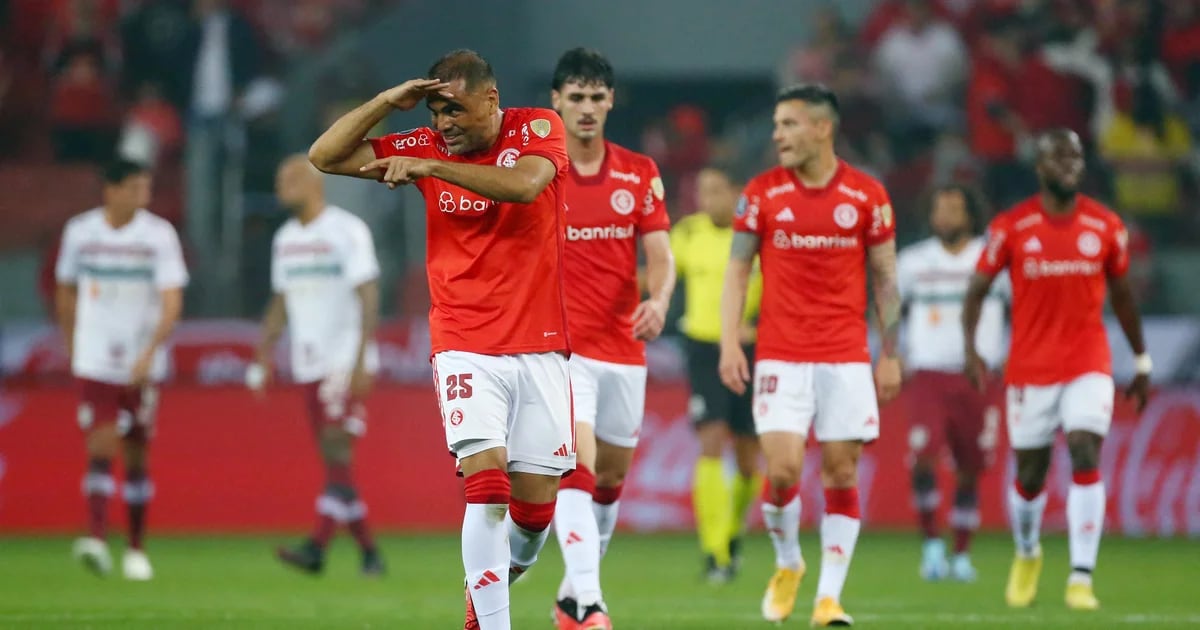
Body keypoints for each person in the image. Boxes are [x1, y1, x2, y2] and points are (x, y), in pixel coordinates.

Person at [308, 49, 573, 630]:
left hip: (540, 343)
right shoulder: (423, 143)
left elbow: (526, 187)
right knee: (487, 485)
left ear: (491, 99)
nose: (442, 123)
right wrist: (384, 104)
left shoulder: (537, 127)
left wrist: (432, 169)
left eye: (453, 108)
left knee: (534, 513)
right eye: (433, 111)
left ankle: (486, 597)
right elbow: (324, 156)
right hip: (463, 339)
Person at [719, 84, 902, 627]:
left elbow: (887, 279)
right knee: (782, 471)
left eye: (789, 124)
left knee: (842, 473)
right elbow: (736, 270)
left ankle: (828, 599)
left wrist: (889, 352)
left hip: (846, 357)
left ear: (823, 128)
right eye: (776, 125)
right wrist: (731, 341)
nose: (777, 135)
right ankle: (788, 562)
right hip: (781, 355)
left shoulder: (868, 195)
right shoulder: (761, 194)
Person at [963, 128, 1151, 611]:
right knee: (1030, 475)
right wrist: (972, 348)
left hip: (1088, 360)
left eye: (1076, 156)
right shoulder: (1012, 226)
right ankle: (1027, 553)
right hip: (1030, 367)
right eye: (1058, 156)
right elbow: (977, 291)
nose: (1069, 163)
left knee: (1086, 451)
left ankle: (1080, 577)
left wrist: (1142, 359)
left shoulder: (1106, 226)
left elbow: (1124, 298)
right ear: (1040, 167)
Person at [548, 48, 675, 630]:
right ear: (557, 102)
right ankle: (594, 606)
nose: (587, 108)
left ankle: (572, 597)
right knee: (576, 465)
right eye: (576, 97)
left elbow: (660, 254)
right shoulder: (538, 171)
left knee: (610, 479)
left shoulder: (639, 171)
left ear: (611, 102)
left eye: (597, 97)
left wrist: (661, 299)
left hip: (623, 347)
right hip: (560, 348)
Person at [247, 154, 385, 576]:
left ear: (314, 183)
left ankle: (318, 545)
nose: (281, 186)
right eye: (278, 179)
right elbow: (281, 299)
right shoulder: (286, 238)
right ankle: (367, 551)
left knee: (336, 446)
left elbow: (368, 293)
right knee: (333, 458)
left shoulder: (346, 230)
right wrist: (263, 352)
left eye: (289, 178)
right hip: (308, 362)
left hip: (343, 358)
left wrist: (363, 357)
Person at [55, 158, 188, 581]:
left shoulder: (158, 235)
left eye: (145, 187)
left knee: (135, 453)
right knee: (100, 441)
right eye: (133, 187)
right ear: (110, 190)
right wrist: (74, 343)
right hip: (95, 358)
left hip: (141, 360)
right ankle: (96, 538)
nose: (142, 195)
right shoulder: (81, 231)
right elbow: (65, 287)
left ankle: (134, 547)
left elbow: (171, 300)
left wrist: (150, 352)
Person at [897, 184, 1007, 582]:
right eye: (939, 209)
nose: (946, 216)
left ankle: (961, 555)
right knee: (922, 457)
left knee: (969, 468)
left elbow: (1022, 308)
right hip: (928, 373)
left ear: (969, 215)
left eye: (954, 209)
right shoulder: (913, 262)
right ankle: (930, 546)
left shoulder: (992, 258)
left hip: (978, 376)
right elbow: (890, 307)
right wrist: (892, 353)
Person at [671, 165, 764, 584]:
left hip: (752, 348)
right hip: (704, 349)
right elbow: (660, 277)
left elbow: (784, 288)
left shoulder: (755, 237)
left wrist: (757, 325)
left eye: (714, 191)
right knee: (711, 441)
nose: (706, 200)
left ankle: (732, 531)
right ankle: (715, 551)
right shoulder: (687, 233)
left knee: (748, 458)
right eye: (701, 191)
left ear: (735, 191)